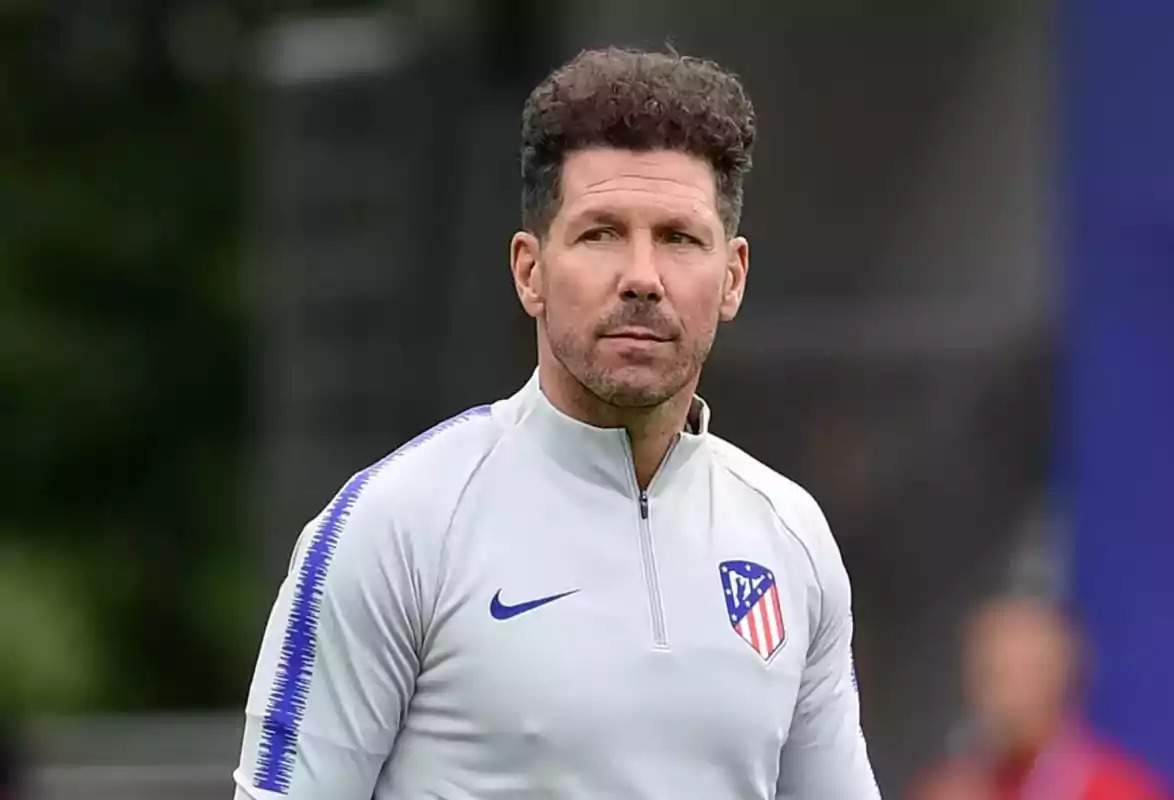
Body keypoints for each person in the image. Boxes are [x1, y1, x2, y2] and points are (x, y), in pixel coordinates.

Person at [233, 46, 879, 799]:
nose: (642, 277)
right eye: (601, 233)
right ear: (529, 271)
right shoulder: (398, 526)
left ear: (731, 277)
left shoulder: (791, 539)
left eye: (678, 238)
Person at [907, 596, 1173, 800]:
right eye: (988, 672)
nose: (1000, 694)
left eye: (1020, 671)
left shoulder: (1120, 791)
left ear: (1062, 676)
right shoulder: (948, 789)